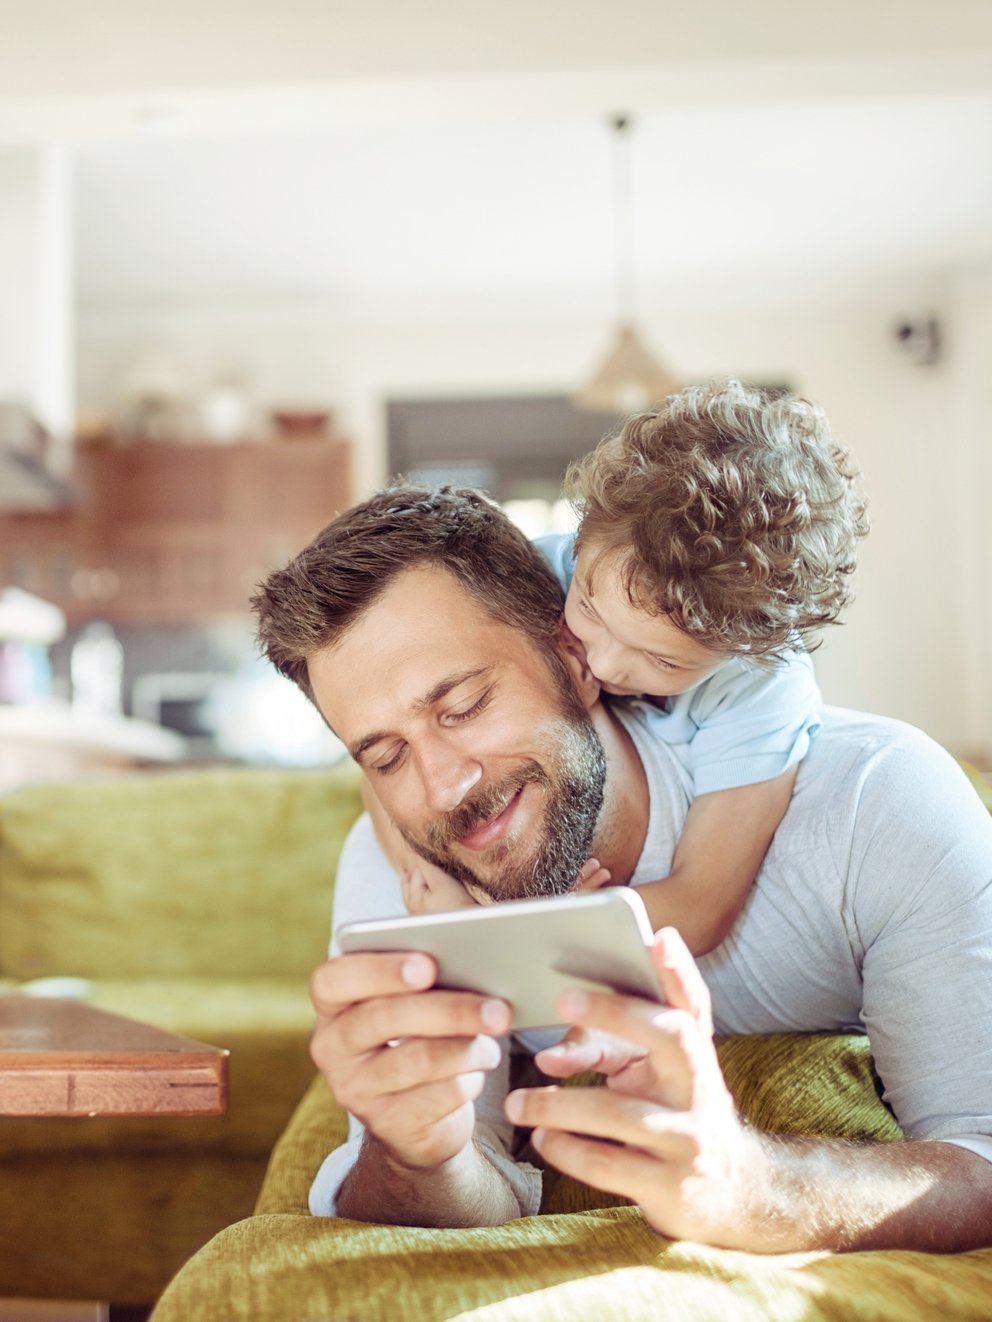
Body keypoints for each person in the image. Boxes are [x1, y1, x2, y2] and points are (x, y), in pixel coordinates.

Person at [252, 483, 992, 1251]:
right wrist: (417, 1153)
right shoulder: (399, 872)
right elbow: (466, 1198)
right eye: (386, 754)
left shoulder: (875, 802)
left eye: (465, 705)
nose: (444, 786)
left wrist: (753, 1187)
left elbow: (982, 1157)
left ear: (575, 658)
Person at [365, 380, 869, 957]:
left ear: (741, 651)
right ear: (583, 539)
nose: (601, 661)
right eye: (587, 608)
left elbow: (700, 906)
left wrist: (536, 925)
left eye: (662, 659)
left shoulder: (760, 685)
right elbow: (386, 738)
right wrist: (443, 894)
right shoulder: (531, 578)